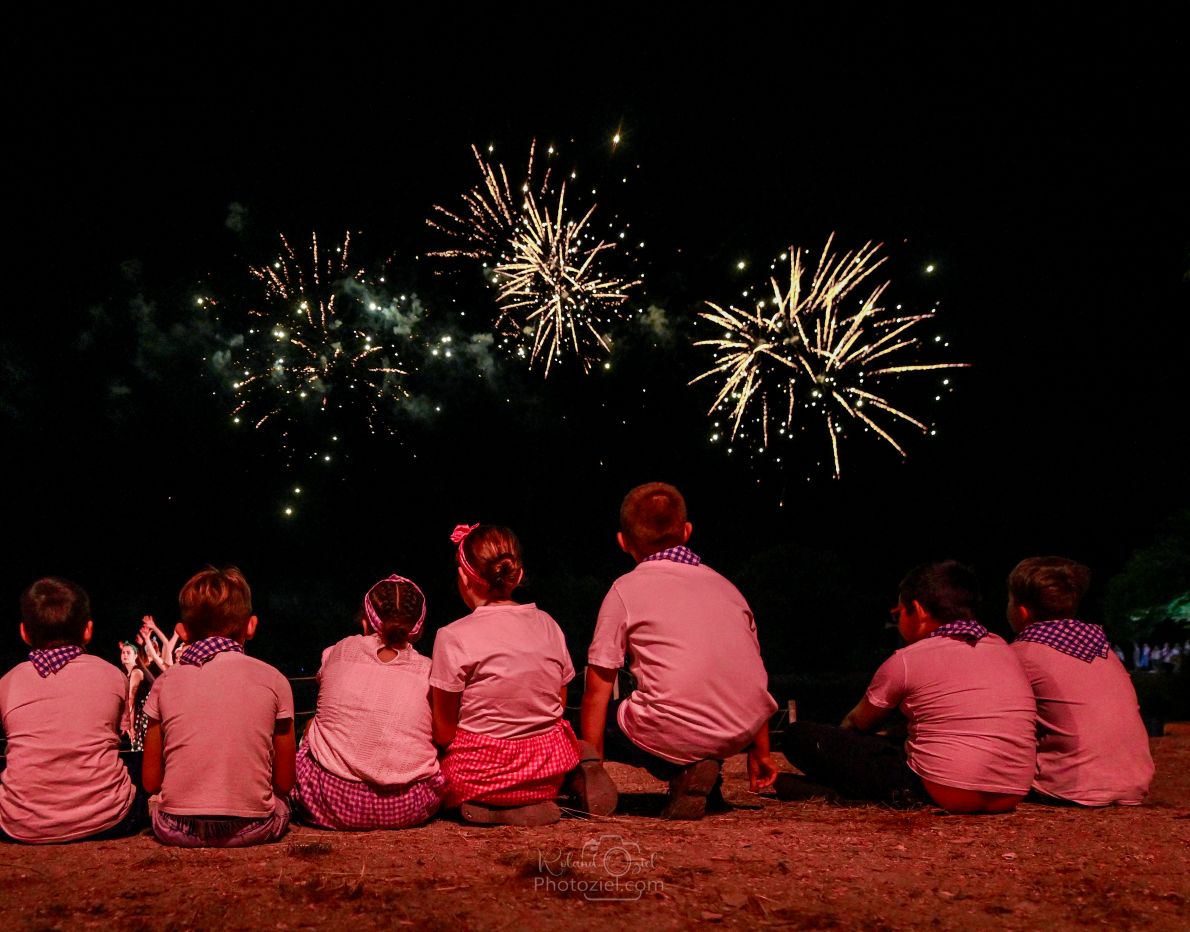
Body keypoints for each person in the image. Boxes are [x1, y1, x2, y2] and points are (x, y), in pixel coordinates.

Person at [581, 482, 779, 820]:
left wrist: (591, 766)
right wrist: (761, 750)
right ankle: (701, 774)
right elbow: (749, 670)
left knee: (590, 724)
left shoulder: (624, 590)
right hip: (739, 731)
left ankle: (682, 769)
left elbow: (598, 687)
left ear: (623, 541)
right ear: (686, 531)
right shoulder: (729, 589)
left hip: (678, 728)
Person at [782, 561, 1036, 814]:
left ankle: (836, 791)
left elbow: (858, 723)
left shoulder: (908, 659)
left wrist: (836, 751)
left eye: (899, 613)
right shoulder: (1004, 649)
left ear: (918, 610)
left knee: (798, 736)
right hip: (1010, 793)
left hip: (945, 788)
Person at [429, 524, 582, 826]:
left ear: (463, 577)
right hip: (546, 773)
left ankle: (492, 805)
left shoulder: (452, 636)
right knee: (564, 737)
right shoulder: (548, 624)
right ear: (518, 574)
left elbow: (445, 732)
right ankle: (560, 782)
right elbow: (559, 706)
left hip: (476, 777)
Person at [141, 566, 295, 847]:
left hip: (176, 826)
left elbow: (151, 782)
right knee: (283, 804)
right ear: (251, 626)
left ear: (182, 632)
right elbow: (284, 783)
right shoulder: (275, 680)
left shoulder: (165, 682)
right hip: (253, 826)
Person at [290, 574, 446, 830]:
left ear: (365, 622)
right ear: (417, 629)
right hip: (409, 806)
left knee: (311, 726)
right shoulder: (428, 669)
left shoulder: (339, 650)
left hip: (327, 799)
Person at [0, 577, 138, 843]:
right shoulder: (112, 675)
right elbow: (119, 733)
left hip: (21, 824)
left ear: (24, 633)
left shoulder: (7, 683)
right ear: (88, 630)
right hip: (107, 819)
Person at [1007, 556, 1154, 806]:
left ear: (1021, 611)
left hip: (1068, 789)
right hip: (1134, 785)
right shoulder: (1104, 651)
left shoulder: (1021, 654)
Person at [118, 639, 155, 752]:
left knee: (144, 747)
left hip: (146, 713)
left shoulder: (136, 672)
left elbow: (131, 700)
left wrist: (130, 725)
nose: (125, 655)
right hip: (141, 711)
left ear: (135, 656)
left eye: (128, 652)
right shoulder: (128, 673)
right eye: (123, 652)